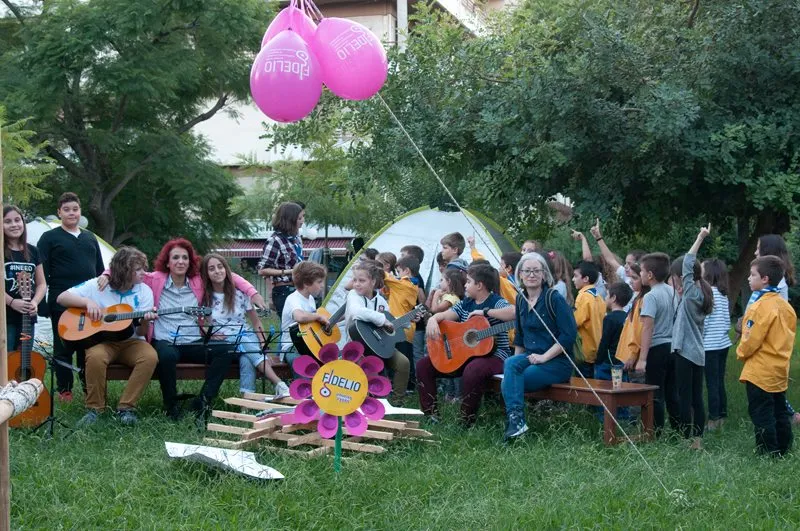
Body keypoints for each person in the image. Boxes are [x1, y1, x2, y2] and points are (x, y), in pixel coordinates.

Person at [100, 238, 263, 420]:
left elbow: (230, 276)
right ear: (167, 262)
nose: (180, 261)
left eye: (185, 258)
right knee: (167, 357)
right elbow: (126, 268)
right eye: (175, 257)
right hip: (165, 341)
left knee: (225, 351)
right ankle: (171, 406)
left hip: (193, 340)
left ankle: (203, 401)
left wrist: (252, 292)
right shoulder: (155, 280)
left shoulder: (197, 281)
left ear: (190, 261)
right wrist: (107, 274)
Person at [57, 247, 158, 426]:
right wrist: (87, 302)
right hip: (103, 341)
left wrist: (145, 321)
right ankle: (94, 410)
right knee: (95, 357)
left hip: (132, 341)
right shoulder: (98, 285)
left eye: (144, 268)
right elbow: (61, 297)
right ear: (125, 270)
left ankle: (126, 408)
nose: (144, 273)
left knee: (149, 357)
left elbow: (141, 332)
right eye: (138, 269)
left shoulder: (144, 292)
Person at [420, 263, 516, 426]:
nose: (465, 285)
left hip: (495, 356)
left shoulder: (497, 302)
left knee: (473, 369)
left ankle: (465, 421)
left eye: (469, 281)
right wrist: (432, 319)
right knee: (424, 365)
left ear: (479, 285)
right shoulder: (466, 302)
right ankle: (431, 415)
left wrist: (485, 312)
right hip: (464, 356)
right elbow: (445, 315)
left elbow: (514, 312)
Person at [501, 252, 577, 440]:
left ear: (544, 275)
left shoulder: (554, 298)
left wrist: (544, 358)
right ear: (520, 275)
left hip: (557, 362)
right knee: (510, 367)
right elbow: (520, 337)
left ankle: (516, 424)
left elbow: (569, 335)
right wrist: (515, 363)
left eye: (536, 271)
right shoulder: (520, 299)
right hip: (531, 358)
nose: (532, 275)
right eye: (527, 271)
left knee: (516, 382)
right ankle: (517, 422)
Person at [37, 192, 105, 401]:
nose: (71, 213)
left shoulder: (89, 237)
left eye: (75, 209)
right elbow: (41, 274)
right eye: (66, 210)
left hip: (89, 305)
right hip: (61, 302)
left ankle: (89, 391)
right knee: (63, 350)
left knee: (88, 350)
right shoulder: (49, 238)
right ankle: (64, 391)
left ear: (80, 212)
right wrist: (43, 304)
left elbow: (100, 272)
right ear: (59, 213)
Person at [200, 254, 289, 398]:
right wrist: (208, 333)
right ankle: (278, 383)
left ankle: (246, 403)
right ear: (206, 274)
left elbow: (256, 322)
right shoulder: (205, 297)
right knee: (244, 344)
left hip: (246, 336)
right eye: (211, 269)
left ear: (226, 269)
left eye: (220, 266)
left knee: (247, 358)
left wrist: (263, 343)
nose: (217, 271)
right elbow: (198, 323)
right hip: (223, 342)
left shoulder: (240, 294)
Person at [737, 256, 796, 456]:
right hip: (779, 370)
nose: (748, 278)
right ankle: (784, 448)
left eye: (753, 275)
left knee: (762, 414)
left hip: (760, 372)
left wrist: (741, 352)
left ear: (765, 279)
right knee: (780, 411)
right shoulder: (786, 306)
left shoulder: (758, 307)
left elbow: (751, 340)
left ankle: (767, 452)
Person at [670, 226, 714, 449]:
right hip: (697, 353)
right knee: (696, 397)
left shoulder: (690, 293)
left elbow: (688, 261)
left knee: (685, 397)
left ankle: (688, 439)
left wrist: (700, 237)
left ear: (682, 277)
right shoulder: (702, 293)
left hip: (685, 353)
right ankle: (697, 439)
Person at [344, 259, 410, 404]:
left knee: (403, 363)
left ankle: (398, 401)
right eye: (354, 280)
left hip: (379, 344)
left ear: (373, 282)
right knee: (375, 379)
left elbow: (390, 321)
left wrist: (408, 321)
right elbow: (356, 312)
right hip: (358, 346)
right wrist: (382, 320)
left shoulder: (381, 301)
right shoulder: (353, 296)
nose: (356, 284)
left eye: (362, 280)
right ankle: (370, 402)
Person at [752, 234, 800, 425]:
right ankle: (787, 416)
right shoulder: (777, 282)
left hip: (769, 343)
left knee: (769, 389)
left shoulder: (774, 286)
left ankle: (790, 417)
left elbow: (766, 317)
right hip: (773, 342)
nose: (755, 252)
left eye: (757, 248)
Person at [635, 252, 678, 435]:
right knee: (672, 392)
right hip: (673, 347)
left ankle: (655, 432)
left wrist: (642, 359)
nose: (641, 275)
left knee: (655, 394)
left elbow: (647, 328)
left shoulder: (651, 297)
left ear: (650, 274)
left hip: (657, 349)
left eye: (642, 271)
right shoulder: (672, 291)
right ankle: (679, 429)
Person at [3, 205, 46, 351]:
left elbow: (41, 284)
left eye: (17, 220)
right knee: (6, 361)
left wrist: (34, 302)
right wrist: (12, 302)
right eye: (8, 221)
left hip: (27, 317)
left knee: (23, 363)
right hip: (6, 317)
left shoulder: (33, 251)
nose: (14, 225)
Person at [257, 202, 305, 317]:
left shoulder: (296, 238)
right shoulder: (275, 240)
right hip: (284, 289)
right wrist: (288, 271)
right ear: (290, 220)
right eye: (299, 218)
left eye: (303, 217)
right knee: (292, 328)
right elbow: (262, 270)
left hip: (299, 288)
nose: (302, 220)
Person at [702, 258, 732, 431]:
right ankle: (722, 415)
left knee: (711, 383)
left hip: (709, 346)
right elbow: (727, 321)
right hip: (723, 344)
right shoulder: (723, 294)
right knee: (719, 381)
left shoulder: (708, 293)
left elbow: (704, 322)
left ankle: (713, 419)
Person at [281, 261, 330, 368]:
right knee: (303, 364)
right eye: (319, 282)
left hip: (308, 345)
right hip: (291, 347)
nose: (322, 286)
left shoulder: (311, 299)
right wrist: (318, 316)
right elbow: (300, 316)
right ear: (306, 283)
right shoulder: (293, 299)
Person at [427, 268, 466, 402]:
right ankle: (450, 394)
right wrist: (433, 295)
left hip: (452, 337)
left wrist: (437, 295)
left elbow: (434, 310)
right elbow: (428, 307)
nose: (440, 282)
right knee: (448, 365)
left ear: (449, 282)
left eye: (442, 280)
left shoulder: (451, 297)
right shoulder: (447, 296)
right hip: (445, 337)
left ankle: (457, 395)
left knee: (454, 366)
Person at [594, 282, 633, 383]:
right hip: (622, 360)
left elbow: (605, 341)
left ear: (613, 298)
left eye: (607, 295)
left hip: (608, 363)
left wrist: (598, 359)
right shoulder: (628, 318)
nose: (605, 298)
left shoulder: (609, 318)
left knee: (603, 388)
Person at [590, 218, 646, 289]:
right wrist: (598, 238)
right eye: (625, 263)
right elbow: (610, 259)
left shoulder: (646, 284)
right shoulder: (627, 276)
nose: (625, 266)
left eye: (629, 263)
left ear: (639, 265)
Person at [572, 260, 605, 377]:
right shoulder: (598, 296)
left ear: (585, 279)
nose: (573, 279)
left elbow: (575, 322)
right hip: (596, 347)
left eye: (575, 276)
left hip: (583, 351)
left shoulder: (583, 296)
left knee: (582, 386)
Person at [617, 263, 649, 381]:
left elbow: (639, 330)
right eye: (630, 278)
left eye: (635, 278)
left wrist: (633, 355)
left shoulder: (644, 300)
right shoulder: (637, 298)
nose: (631, 282)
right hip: (629, 357)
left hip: (635, 359)